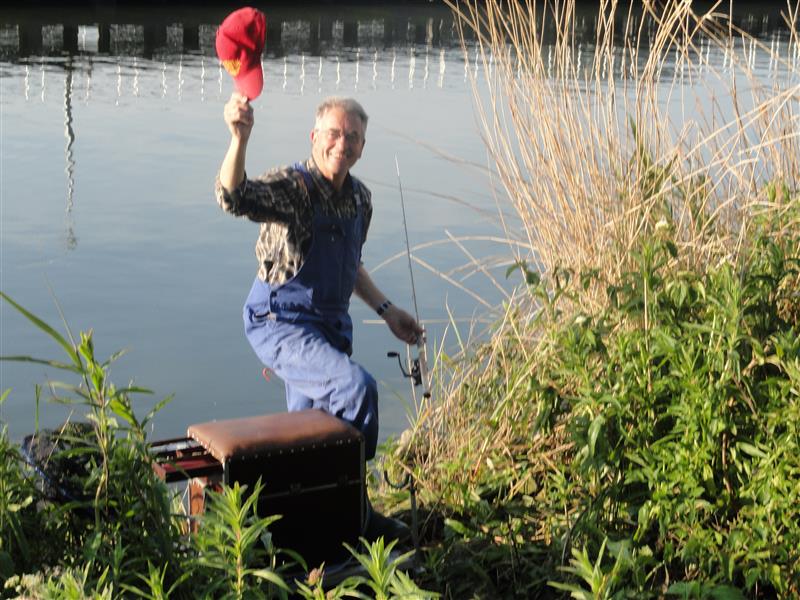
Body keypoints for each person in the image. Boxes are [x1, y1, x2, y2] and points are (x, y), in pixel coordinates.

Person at [215, 92, 421, 542]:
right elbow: (232, 196)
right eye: (333, 133)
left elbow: (351, 267)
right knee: (356, 389)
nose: (341, 143)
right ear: (314, 136)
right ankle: (356, 513)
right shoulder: (292, 187)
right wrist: (239, 139)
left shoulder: (361, 199)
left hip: (329, 329)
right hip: (280, 322)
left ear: (362, 147)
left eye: (353, 137)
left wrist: (387, 311)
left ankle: (307, 533)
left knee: (309, 435)